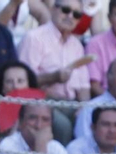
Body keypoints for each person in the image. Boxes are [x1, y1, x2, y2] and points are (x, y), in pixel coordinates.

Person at [19, 0, 92, 142]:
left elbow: (84, 86)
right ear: (53, 9)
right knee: (63, 127)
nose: (70, 16)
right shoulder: (34, 38)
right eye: (66, 10)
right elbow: (24, 80)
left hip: (72, 103)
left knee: (94, 120)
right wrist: (53, 77)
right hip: (42, 101)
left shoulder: (77, 45)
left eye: (76, 14)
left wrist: (84, 108)